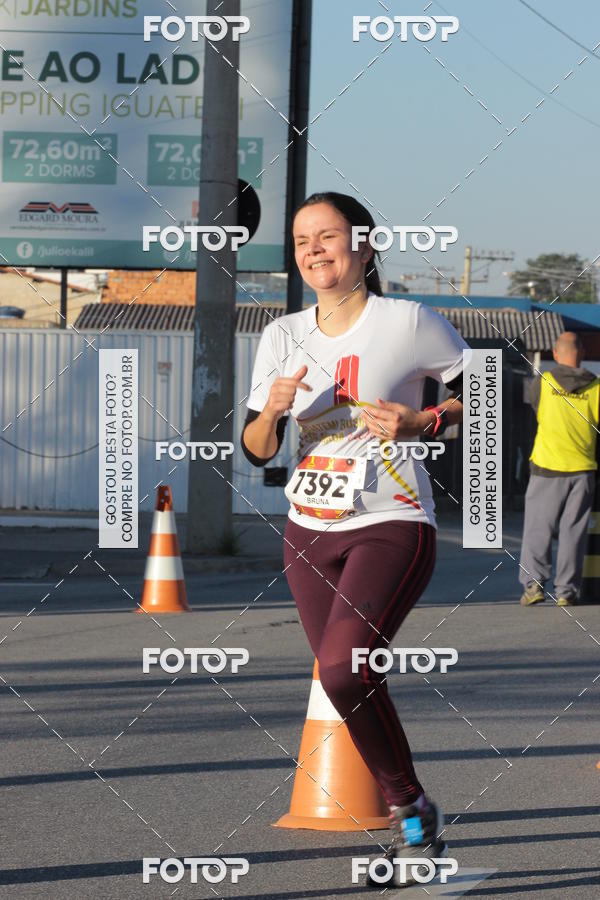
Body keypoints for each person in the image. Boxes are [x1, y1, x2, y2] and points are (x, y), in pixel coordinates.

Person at [241, 191, 467, 889]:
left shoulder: (408, 322)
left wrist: (423, 421)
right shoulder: (280, 334)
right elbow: (254, 449)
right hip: (308, 531)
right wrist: (273, 414)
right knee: (349, 681)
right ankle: (415, 806)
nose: (314, 250)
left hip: (391, 521)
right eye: (302, 239)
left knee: (342, 668)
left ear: (364, 246)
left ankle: (404, 809)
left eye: (329, 236)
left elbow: (478, 398)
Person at [519, 332, 599, 607]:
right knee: (572, 531)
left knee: (537, 529)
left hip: (546, 467)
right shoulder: (597, 388)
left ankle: (534, 585)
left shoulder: (543, 383)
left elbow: (534, 410)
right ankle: (566, 591)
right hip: (583, 470)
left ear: (555, 353)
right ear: (583, 353)